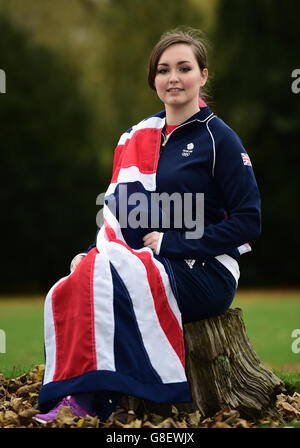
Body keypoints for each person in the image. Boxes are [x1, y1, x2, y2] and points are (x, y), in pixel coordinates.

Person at [34, 29, 261, 424]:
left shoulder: (220, 139)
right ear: (154, 80)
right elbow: (120, 216)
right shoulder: (137, 137)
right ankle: (78, 391)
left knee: (110, 280)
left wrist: (176, 241)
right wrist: (90, 254)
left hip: (208, 271)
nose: (173, 78)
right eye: (163, 70)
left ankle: (95, 398)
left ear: (203, 76)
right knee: (77, 281)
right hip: (146, 259)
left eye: (184, 68)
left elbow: (249, 222)